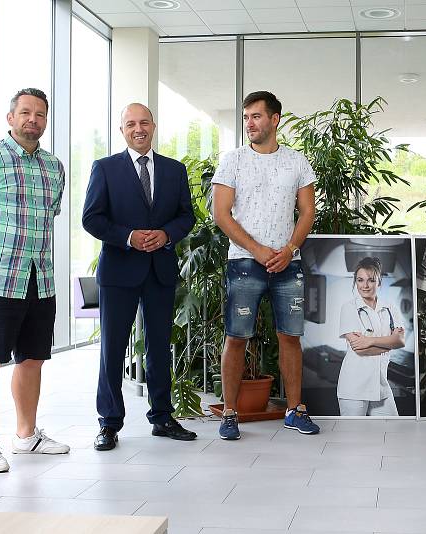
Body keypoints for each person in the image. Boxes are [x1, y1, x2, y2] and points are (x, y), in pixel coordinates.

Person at [0, 88, 68, 473]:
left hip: (41, 277)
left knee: (33, 359)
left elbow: (48, 216)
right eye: (25, 112)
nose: (33, 120)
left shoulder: (54, 166)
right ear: (10, 118)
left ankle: (26, 435)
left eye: (40, 114)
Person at [83, 103, 197, 450]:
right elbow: (92, 218)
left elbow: (186, 216)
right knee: (113, 350)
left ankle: (162, 417)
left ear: (154, 126)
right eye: (130, 124)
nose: (138, 128)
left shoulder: (174, 170)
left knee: (160, 346)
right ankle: (109, 423)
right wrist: (129, 237)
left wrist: (166, 235)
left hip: (160, 269)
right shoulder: (105, 168)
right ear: (122, 130)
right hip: (119, 270)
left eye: (143, 122)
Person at [212, 90, 319, 440]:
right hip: (244, 262)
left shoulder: (297, 162)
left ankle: (294, 410)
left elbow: (307, 212)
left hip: (288, 263)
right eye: (245, 118)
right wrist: (258, 250)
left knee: (290, 337)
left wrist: (289, 249)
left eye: (256, 116)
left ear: (275, 120)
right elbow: (221, 214)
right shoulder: (233, 160)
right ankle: (230, 413)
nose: (249, 124)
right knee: (236, 336)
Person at [337, 257, 405, 416]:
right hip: (354, 388)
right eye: (360, 280)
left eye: (371, 280)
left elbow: (400, 341)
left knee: (393, 430)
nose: (365, 285)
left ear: (379, 282)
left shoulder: (390, 308)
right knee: (354, 437)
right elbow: (359, 349)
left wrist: (369, 340)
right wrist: (389, 344)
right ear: (355, 282)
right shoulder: (349, 308)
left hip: (381, 385)